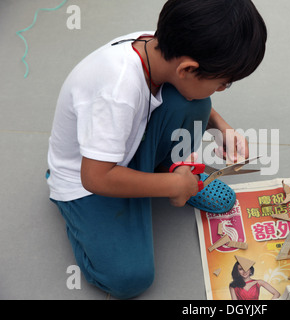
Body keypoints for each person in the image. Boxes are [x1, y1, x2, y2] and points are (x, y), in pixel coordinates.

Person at [47, 0, 267, 299]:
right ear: (188, 68)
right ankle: (86, 216)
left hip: (123, 148)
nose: (221, 89)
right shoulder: (117, 93)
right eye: (223, 83)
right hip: (87, 181)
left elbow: (193, 91)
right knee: (129, 278)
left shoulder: (160, 45)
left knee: (197, 102)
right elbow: (95, 178)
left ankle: (165, 171)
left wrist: (220, 126)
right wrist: (172, 185)